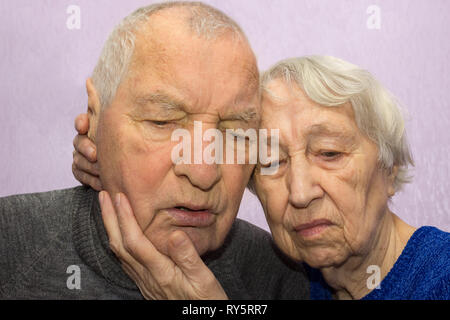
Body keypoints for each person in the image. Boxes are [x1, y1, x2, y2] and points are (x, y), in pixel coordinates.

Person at [0, 2, 308, 300]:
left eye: (235, 132)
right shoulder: (10, 246)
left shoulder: (282, 278)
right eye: (163, 122)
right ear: (93, 117)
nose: (203, 172)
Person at [74, 56, 449, 300]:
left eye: (330, 154)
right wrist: (111, 155)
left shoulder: (440, 279)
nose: (300, 193)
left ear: (390, 168)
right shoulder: (280, 280)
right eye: (272, 161)